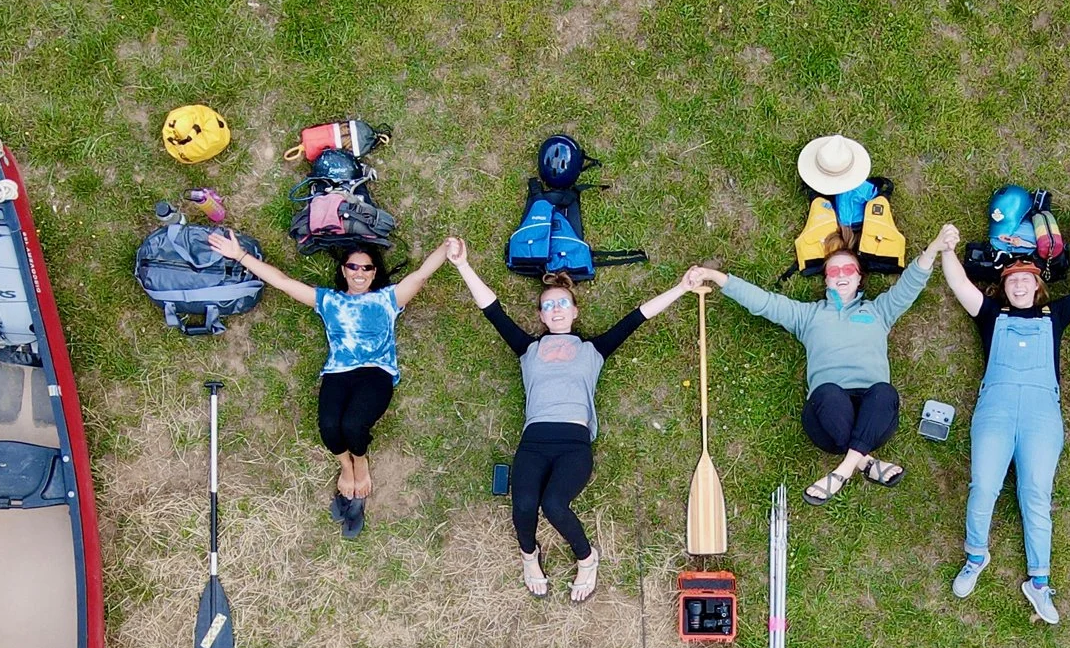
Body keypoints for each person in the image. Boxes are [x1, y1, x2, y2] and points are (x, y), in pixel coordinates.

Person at [447, 241, 700, 600]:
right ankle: (529, 555)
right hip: (534, 442)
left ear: (575, 310)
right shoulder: (528, 349)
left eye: (562, 302)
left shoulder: (593, 350)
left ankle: (587, 558)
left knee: (553, 505)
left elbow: (638, 316)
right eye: (548, 306)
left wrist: (681, 287)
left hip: (573, 444)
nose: (556, 309)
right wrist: (462, 265)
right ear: (541, 316)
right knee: (522, 507)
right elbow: (492, 310)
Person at [936, 217, 1070, 624]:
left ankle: (1038, 582)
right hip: (995, 410)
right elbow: (960, 285)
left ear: (1038, 286)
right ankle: (975, 557)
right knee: (983, 486)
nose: (1019, 285)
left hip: (1042, 415)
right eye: (1012, 280)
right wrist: (946, 250)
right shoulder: (988, 315)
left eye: (1026, 280)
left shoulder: (1056, 314)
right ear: (1003, 288)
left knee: (1035, 494)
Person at [686, 222, 955, 507]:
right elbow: (763, 303)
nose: (840, 275)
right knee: (826, 391)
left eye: (848, 270)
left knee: (885, 392)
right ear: (825, 280)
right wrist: (714, 276)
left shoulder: (879, 311)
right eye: (833, 271)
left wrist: (935, 247)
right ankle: (865, 463)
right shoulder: (807, 316)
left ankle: (842, 472)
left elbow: (910, 284)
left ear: (860, 278)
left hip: (873, 415)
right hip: (826, 418)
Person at [204, 231, 453, 538]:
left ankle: (359, 465)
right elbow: (282, 281)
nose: (359, 273)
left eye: (366, 268)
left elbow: (420, 274)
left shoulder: (388, 299)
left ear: (375, 273)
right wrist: (239, 255)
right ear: (343, 270)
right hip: (338, 372)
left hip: (376, 373)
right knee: (328, 426)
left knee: (352, 426)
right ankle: (345, 468)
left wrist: (445, 248)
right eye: (353, 267)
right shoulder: (329, 300)